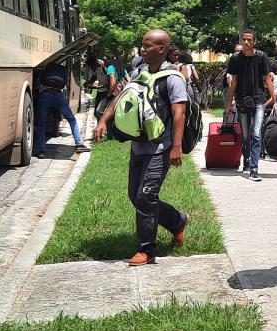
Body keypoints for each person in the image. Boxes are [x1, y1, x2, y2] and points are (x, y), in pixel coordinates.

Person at [93, 29, 190, 266]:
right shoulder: (140, 71)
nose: (142, 49)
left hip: (161, 148)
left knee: (146, 197)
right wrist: (104, 120)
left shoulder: (173, 78)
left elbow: (179, 114)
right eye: (142, 45)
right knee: (135, 196)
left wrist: (176, 146)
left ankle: (147, 250)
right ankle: (177, 221)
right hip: (139, 146)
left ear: (162, 49)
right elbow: (121, 95)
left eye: (147, 46)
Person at [225, 28, 275, 181]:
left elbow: (267, 79)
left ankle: (254, 168)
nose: (246, 42)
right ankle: (246, 160)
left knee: (256, 133)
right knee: (246, 135)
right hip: (241, 100)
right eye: (244, 39)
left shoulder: (261, 57)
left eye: (249, 40)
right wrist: (229, 103)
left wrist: (274, 99)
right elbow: (233, 81)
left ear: (254, 41)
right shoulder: (235, 58)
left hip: (258, 99)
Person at [34, 61, 90, 157]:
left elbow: (37, 83)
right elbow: (66, 86)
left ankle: (41, 151)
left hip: (45, 95)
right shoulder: (61, 70)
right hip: (58, 96)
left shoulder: (44, 67)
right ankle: (79, 144)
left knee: (41, 124)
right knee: (71, 119)